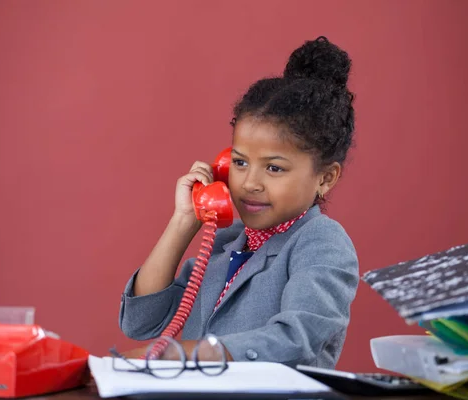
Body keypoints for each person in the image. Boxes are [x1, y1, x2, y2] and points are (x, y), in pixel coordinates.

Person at [118, 36, 359, 368]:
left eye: (274, 168)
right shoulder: (223, 243)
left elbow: (298, 336)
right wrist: (183, 221)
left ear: (325, 177)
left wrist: (191, 353)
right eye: (240, 162)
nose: (249, 183)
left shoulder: (320, 242)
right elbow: (140, 322)